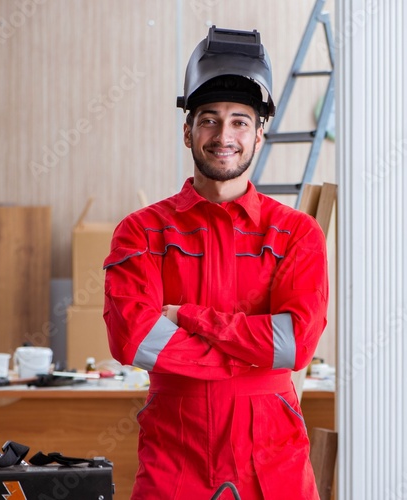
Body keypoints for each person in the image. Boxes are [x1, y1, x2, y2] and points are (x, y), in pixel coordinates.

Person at [103, 26, 328, 500]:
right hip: (175, 460)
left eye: (239, 121)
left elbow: (293, 346)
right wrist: (249, 357)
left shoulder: (297, 234)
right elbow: (135, 339)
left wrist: (186, 316)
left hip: (272, 463)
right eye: (208, 120)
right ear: (187, 131)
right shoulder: (142, 231)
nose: (223, 135)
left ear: (259, 134)